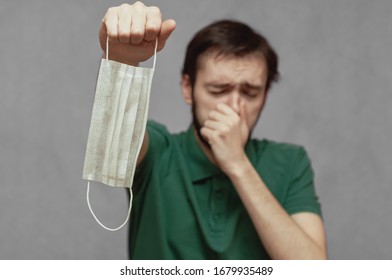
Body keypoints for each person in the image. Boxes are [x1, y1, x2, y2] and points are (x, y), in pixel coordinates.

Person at [99, 1, 327, 259]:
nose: (235, 107)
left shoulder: (289, 162)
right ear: (188, 88)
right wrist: (121, 61)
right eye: (218, 90)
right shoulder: (160, 153)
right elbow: (114, 142)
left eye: (250, 93)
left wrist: (238, 164)